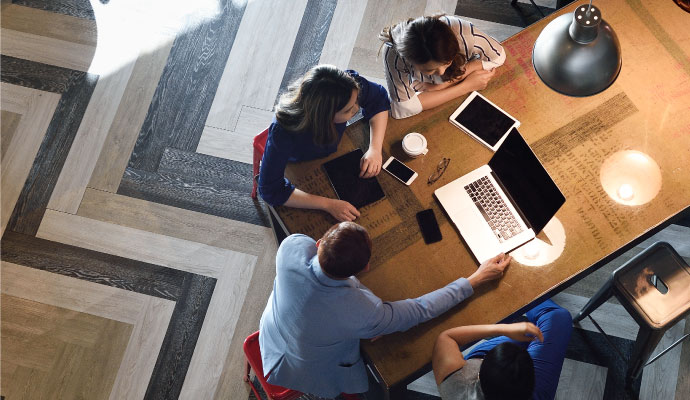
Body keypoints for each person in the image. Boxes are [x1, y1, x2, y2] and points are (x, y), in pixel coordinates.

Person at [259, 222, 512, 398]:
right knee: (378, 381)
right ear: (366, 267)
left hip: (272, 334)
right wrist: (475, 279)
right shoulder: (364, 311)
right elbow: (420, 309)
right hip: (308, 369)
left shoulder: (290, 248)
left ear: (320, 242)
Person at [258, 65, 390, 222]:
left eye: (356, 102)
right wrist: (328, 205)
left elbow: (379, 98)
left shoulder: (345, 86)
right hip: (300, 162)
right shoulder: (283, 133)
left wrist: (375, 148)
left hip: (333, 148)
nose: (356, 109)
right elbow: (269, 189)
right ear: (325, 115)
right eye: (348, 110)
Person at [432, 299, 573, 400]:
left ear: (479, 375)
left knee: (532, 332)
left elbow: (446, 337)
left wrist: (505, 329)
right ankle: (523, 287)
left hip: (482, 360)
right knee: (557, 317)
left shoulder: (454, 381)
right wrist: (504, 329)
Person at [379, 15, 506, 119]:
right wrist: (466, 86)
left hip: (448, 75)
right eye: (430, 69)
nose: (441, 73)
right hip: (420, 84)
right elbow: (403, 109)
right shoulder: (394, 55)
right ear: (410, 61)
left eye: (447, 62)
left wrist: (443, 85)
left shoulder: (464, 34)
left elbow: (499, 57)